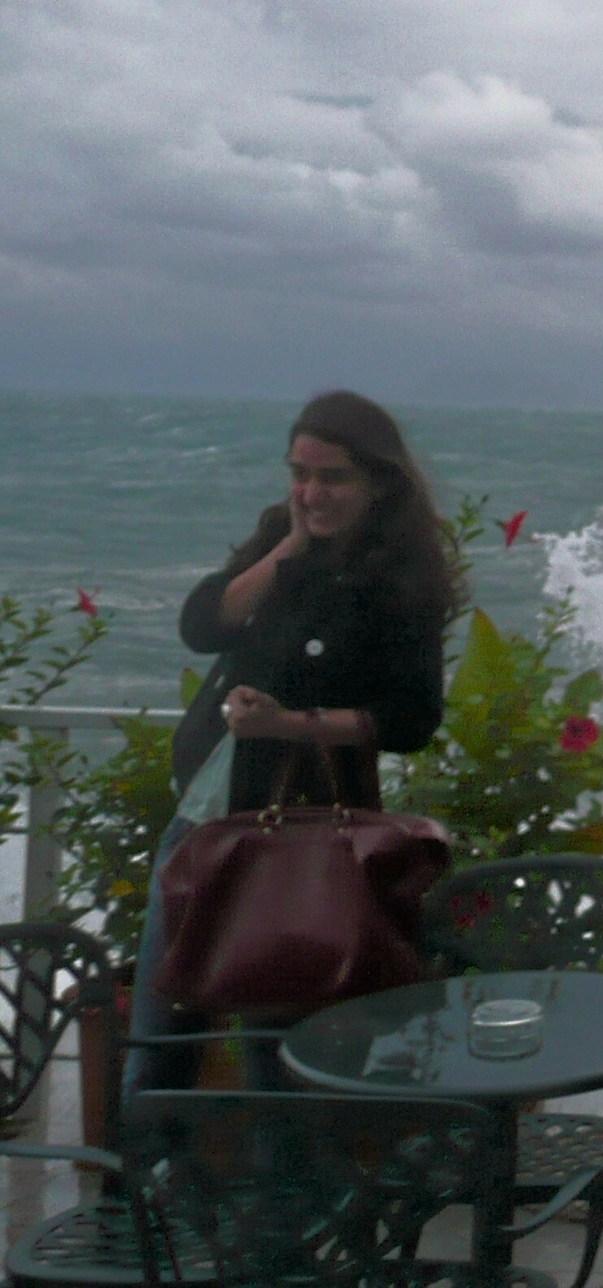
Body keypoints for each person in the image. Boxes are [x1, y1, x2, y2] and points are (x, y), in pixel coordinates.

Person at [124, 391, 454, 1099]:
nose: (311, 492)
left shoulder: (400, 576)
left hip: (300, 836)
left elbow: (409, 719)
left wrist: (292, 724)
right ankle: (138, 1199)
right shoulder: (283, 534)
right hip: (203, 818)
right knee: (160, 1032)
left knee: (278, 1054)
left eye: (331, 477)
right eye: (299, 473)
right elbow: (204, 624)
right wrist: (289, 546)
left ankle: (291, 1204)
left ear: (377, 481)